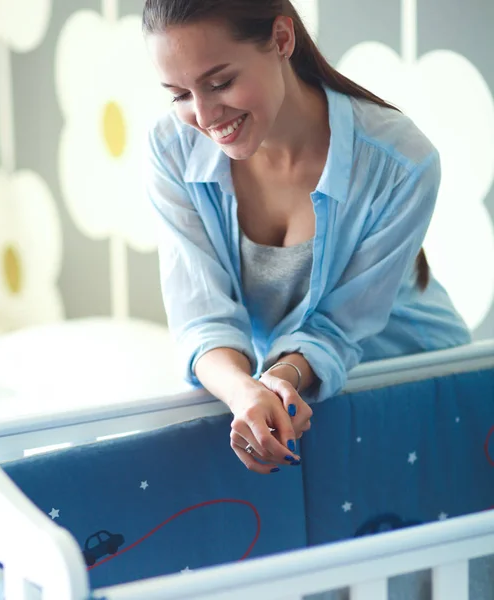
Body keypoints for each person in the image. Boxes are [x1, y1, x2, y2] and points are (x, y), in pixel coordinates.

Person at [141, 0, 472, 475]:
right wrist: (247, 391)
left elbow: (337, 329)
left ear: (281, 39)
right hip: (302, 399)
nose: (204, 114)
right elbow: (202, 318)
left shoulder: (401, 161)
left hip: (420, 383)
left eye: (220, 83)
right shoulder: (172, 150)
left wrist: (276, 382)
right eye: (179, 94)